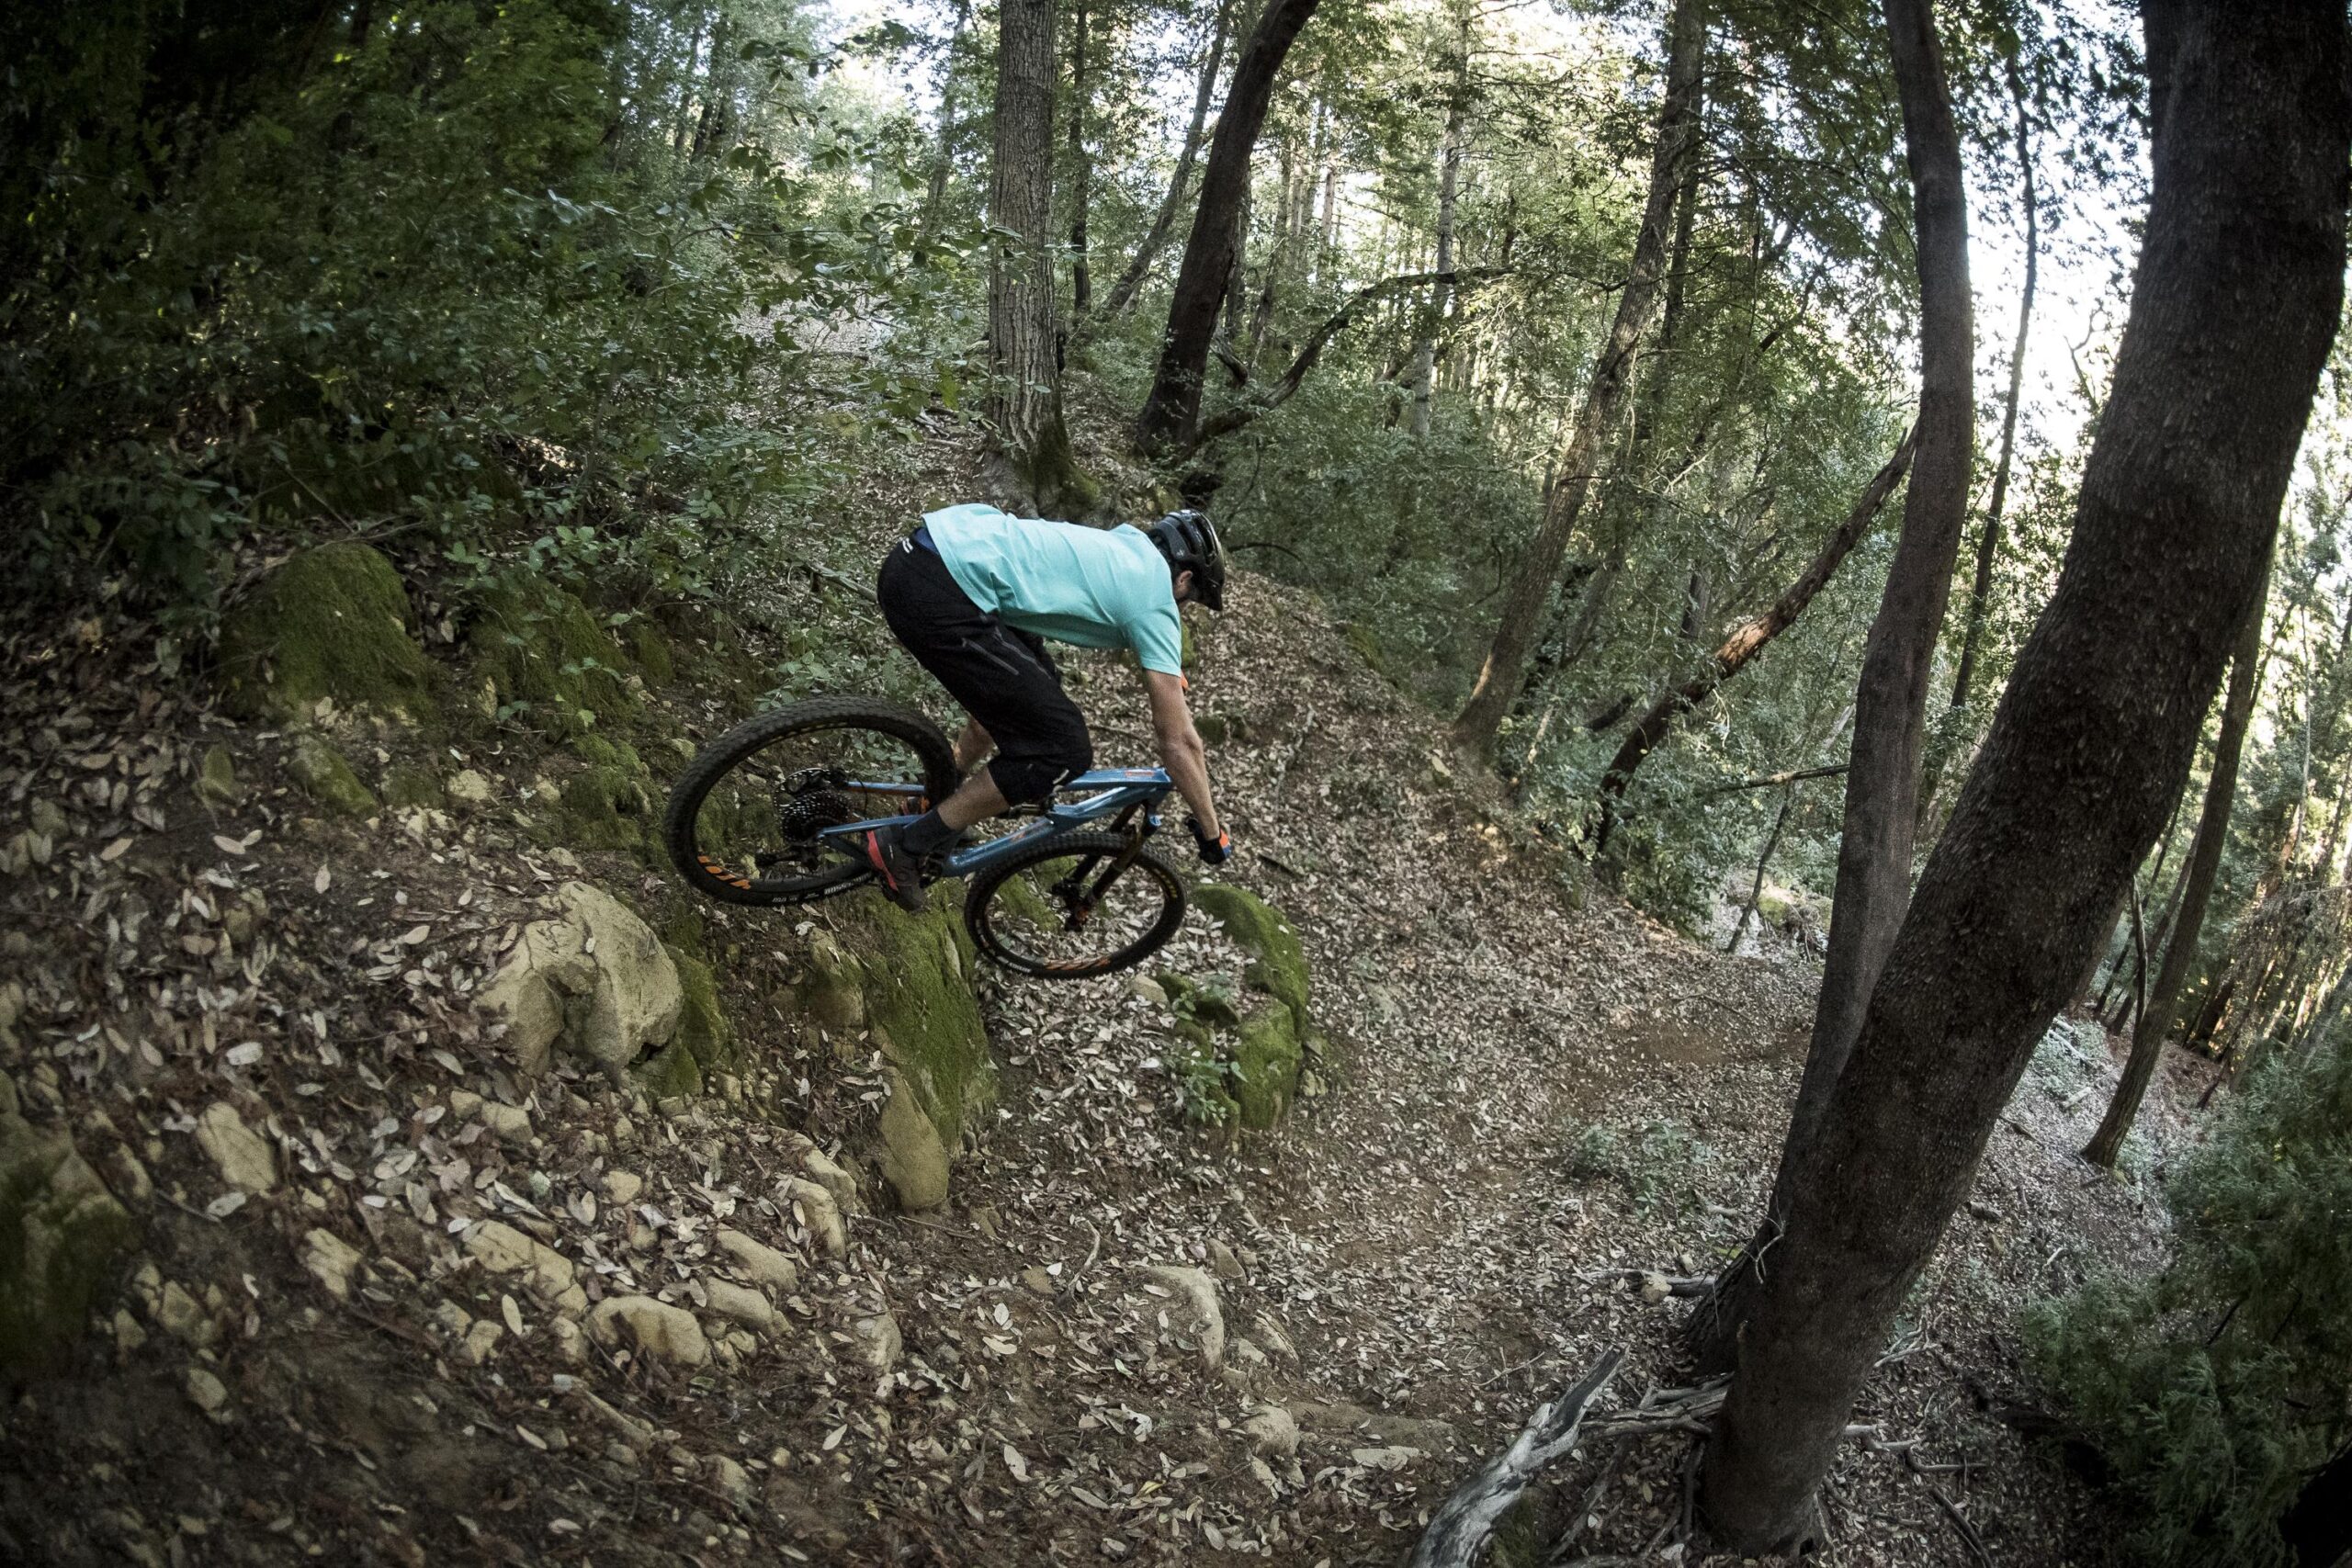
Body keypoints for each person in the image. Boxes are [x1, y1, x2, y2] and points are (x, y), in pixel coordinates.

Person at [862, 502, 1233, 911]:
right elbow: (1178, 743)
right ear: (1182, 579)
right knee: (1063, 749)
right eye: (1191, 598)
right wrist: (1212, 832)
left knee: (1035, 700)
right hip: (944, 591)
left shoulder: (1123, 545)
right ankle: (906, 847)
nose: (1183, 608)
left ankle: (935, 799)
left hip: (923, 558)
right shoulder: (1156, 599)